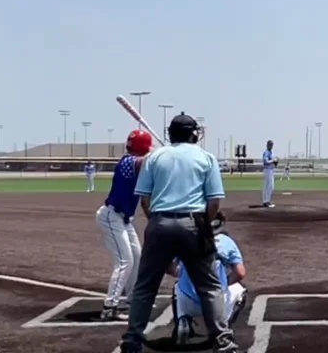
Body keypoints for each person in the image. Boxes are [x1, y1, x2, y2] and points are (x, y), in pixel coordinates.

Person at [120, 112, 237, 353]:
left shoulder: (154, 158)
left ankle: (132, 341)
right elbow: (214, 201)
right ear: (194, 133)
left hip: (159, 222)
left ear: (170, 133)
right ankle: (223, 341)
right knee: (209, 286)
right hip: (193, 223)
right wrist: (202, 223)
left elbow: (145, 199)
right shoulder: (206, 158)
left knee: (145, 287)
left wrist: (157, 222)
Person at [95, 130, 152, 321]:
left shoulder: (136, 161)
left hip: (123, 219)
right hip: (111, 216)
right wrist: (163, 154)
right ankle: (110, 307)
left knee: (137, 256)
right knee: (124, 261)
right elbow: (144, 163)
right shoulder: (128, 162)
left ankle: (133, 300)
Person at [168, 211, 248, 345]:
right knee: (241, 290)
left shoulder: (183, 238)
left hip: (189, 302)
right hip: (215, 303)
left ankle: (183, 320)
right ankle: (223, 326)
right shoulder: (225, 241)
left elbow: (168, 267)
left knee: (178, 287)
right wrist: (222, 283)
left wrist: (183, 274)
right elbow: (240, 273)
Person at [261, 140, 277, 207]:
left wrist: (274, 163)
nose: (272, 146)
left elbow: (270, 162)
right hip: (267, 170)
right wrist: (273, 161)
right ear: (267, 145)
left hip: (270, 170)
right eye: (271, 145)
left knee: (269, 186)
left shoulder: (270, 152)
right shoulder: (266, 152)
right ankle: (266, 201)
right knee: (269, 186)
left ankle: (266, 201)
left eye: (272, 145)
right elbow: (265, 161)